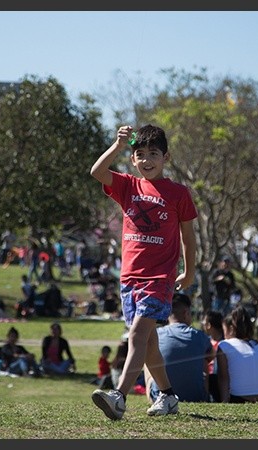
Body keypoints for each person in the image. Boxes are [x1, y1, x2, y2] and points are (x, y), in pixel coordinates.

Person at [89, 124, 198, 420]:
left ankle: (119, 396)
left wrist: (189, 273)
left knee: (137, 335)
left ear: (166, 157)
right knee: (148, 344)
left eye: (154, 154)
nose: (147, 160)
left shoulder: (178, 193)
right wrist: (118, 146)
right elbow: (97, 171)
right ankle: (168, 395)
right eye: (140, 154)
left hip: (159, 279)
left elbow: (188, 237)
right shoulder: (128, 185)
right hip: (129, 278)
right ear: (133, 160)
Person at [143, 293, 212, 404]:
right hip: (196, 397)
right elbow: (211, 356)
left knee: (149, 355)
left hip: (159, 397)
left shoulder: (157, 334)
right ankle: (202, 393)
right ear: (186, 313)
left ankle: (156, 397)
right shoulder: (200, 336)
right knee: (203, 359)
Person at [217, 305, 258, 403]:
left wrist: (224, 402)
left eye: (224, 331)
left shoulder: (224, 345)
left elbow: (223, 378)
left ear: (231, 328)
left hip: (239, 398)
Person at [201, 309, 224, 402]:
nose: (202, 324)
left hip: (217, 377)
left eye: (204, 322)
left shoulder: (225, 343)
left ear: (209, 325)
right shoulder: (206, 341)